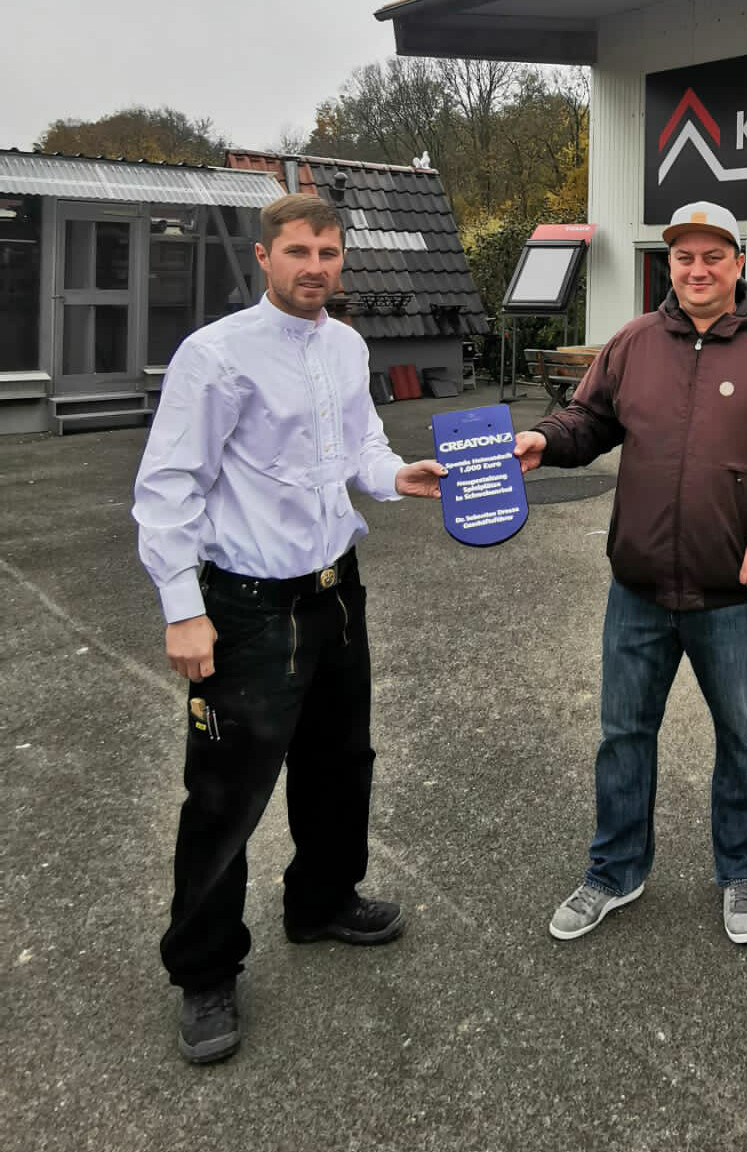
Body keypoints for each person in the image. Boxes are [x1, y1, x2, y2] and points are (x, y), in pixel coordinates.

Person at [132, 193, 447, 1064]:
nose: (317, 266)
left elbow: (361, 448)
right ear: (265, 259)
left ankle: (320, 902)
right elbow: (168, 487)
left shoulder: (345, 345)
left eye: (331, 251)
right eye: (300, 251)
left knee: (341, 763)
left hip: (336, 594)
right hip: (246, 606)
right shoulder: (216, 356)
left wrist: (398, 477)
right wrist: (183, 608)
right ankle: (203, 970)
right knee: (226, 795)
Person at [514, 201, 747, 946]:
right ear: (671, 265)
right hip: (637, 588)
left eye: (712, 257)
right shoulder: (633, 341)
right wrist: (543, 439)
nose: (697, 271)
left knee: (743, 735)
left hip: (734, 592)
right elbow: (588, 420)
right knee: (623, 733)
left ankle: (742, 869)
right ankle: (615, 870)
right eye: (684, 258)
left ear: (738, 262)